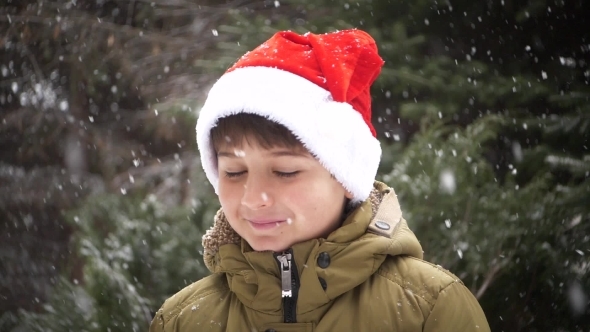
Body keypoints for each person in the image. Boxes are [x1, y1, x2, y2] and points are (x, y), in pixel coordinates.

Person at [149, 29, 490, 332]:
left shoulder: (428, 310)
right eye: (234, 173)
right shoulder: (182, 321)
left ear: (344, 176)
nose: (255, 198)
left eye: (285, 172)